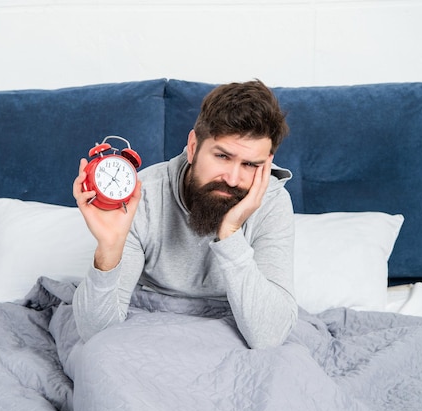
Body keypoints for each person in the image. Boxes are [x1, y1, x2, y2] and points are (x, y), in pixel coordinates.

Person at [72, 80, 297, 349]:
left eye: (250, 164)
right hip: (150, 328)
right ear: (193, 147)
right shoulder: (143, 198)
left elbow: (268, 337)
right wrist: (109, 249)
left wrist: (231, 233)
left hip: (234, 329)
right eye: (222, 156)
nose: (233, 179)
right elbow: (96, 334)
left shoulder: (272, 203)